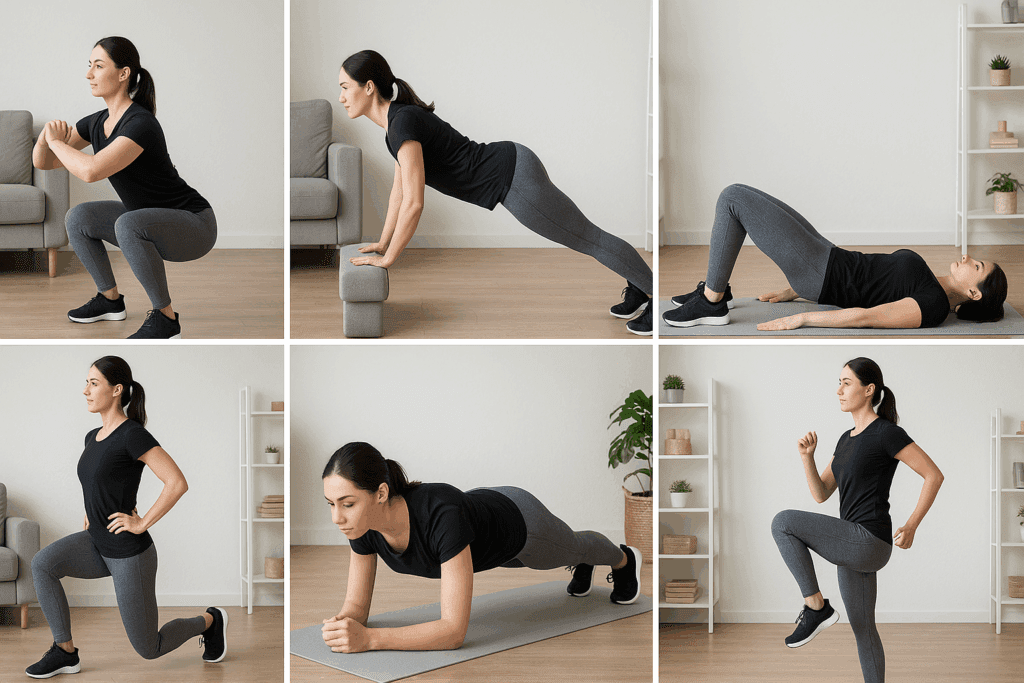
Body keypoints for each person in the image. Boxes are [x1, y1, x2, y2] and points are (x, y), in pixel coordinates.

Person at [337, 50, 655, 335]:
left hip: (512, 178)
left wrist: (389, 258)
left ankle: (653, 296)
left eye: (345, 88)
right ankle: (639, 288)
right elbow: (399, 193)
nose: (342, 98)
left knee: (588, 237)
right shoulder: (396, 126)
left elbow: (415, 203)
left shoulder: (401, 123)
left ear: (368, 87)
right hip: (512, 169)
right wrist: (382, 241)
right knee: (587, 236)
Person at [319, 442, 642, 653]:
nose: (337, 517)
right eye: (331, 504)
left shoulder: (441, 516)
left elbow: (453, 631)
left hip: (520, 525)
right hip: (483, 533)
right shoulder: (361, 523)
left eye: (346, 504)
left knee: (575, 546)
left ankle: (624, 559)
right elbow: (356, 608)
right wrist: (343, 624)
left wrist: (372, 639)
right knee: (570, 553)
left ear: (380, 493)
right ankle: (584, 563)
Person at [26, 356, 227, 678]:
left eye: (94, 383)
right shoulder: (92, 436)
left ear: (116, 389)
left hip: (128, 553)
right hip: (96, 540)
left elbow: (177, 482)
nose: (85, 390)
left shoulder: (132, 434)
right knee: (42, 564)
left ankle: (211, 620)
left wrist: (142, 522)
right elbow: (97, 482)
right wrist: (91, 515)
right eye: (86, 383)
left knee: (150, 648)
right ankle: (65, 651)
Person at [770, 357, 943, 683]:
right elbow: (821, 493)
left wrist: (912, 524)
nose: (838, 390)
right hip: (853, 544)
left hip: (867, 540)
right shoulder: (844, 439)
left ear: (869, 389)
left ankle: (816, 608)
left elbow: (933, 475)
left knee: (783, 522)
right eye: (838, 382)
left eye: (846, 383)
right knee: (863, 630)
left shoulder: (887, 433)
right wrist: (807, 458)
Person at [31, 37, 217, 340]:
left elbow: (90, 171)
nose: (89, 73)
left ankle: (165, 320)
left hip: (194, 224)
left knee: (128, 223)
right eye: (89, 66)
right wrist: (45, 138)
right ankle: (109, 300)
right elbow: (45, 163)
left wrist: (55, 143)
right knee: (78, 217)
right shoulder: (96, 122)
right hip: (148, 217)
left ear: (123, 73)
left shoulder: (139, 124)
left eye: (99, 65)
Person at [665, 184, 1008, 330]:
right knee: (743, 194)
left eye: (975, 265)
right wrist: (793, 293)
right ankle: (717, 288)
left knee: (732, 198)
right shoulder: (933, 284)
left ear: (974, 293)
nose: (967, 257)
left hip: (820, 270)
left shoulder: (932, 305)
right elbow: (875, 282)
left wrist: (804, 318)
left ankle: (711, 301)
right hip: (827, 255)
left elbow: (869, 316)